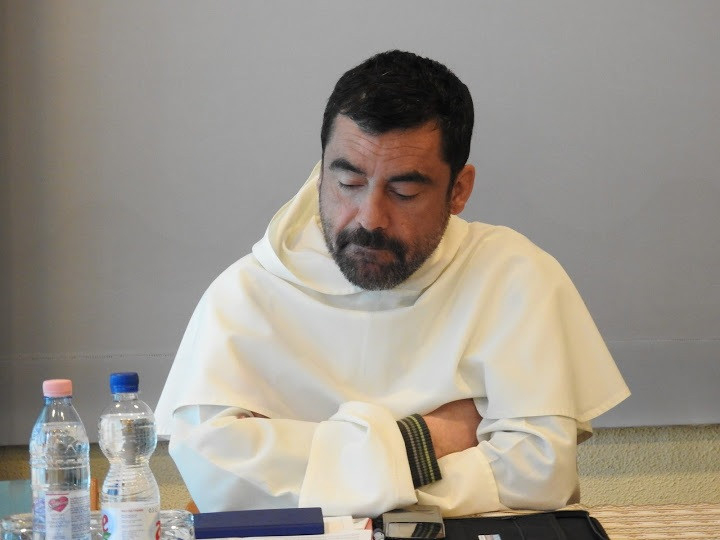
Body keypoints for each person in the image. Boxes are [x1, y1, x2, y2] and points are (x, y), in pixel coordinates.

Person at [155, 50, 629, 518]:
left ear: (458, 190)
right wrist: (429, 439)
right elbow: (218, 479)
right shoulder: (248, 292)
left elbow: (539, 476)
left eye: (404, 192)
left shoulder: (512, 275)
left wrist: (306, 467)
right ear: (321, 173)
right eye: (348, 183)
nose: (370, 218)